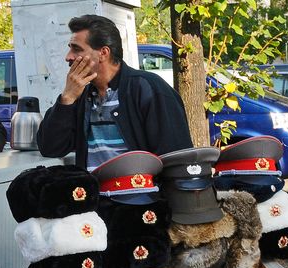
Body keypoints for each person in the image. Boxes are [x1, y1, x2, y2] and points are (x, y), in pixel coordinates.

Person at [37, 14, 193, 170]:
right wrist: (67, 98)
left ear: (103, 53)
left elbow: (176, 159)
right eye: (70, 48)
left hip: (141, 192)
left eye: (76, 49)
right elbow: (50, 148)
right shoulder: (80, 95)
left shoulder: (148, 88)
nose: (68, 57)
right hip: (90, 192)